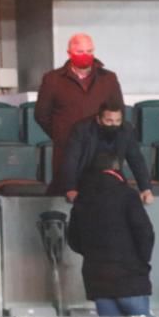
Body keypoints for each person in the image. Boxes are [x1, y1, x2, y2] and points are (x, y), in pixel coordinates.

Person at [67, 152, 155, 317]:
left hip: (97, 278)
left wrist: (93, 256)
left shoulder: (82, 198)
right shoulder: (127, 195)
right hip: (130, 277)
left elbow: (73, 239)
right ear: (116, 168)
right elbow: (144, 232)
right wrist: (141, 261)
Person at [35, 33, 125, 196]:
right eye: (80, 52)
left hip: (102, 149)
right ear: (69, 53)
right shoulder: (53, 79)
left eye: (89, 51)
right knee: (67, 194)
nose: (86, 55)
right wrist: (61, 133)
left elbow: (119, 110)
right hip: (67, 149)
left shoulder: (108, 78)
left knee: (103, 195)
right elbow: (42, 114)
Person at [61, 103, 153, 205]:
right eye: (109, 121)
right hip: (86, 178)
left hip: (114, 178)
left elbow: (136, 159)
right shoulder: (81, 129)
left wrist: (146, 188)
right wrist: (70, 188)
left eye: (118, 121)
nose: (114, 124)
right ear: (98, 119)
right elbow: (71, 160)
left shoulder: (126, 129)